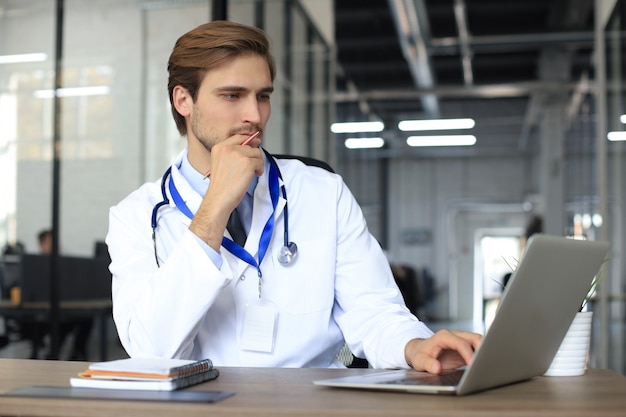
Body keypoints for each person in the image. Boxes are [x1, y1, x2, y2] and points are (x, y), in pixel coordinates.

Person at [106, 21, 481, 373]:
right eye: (232, 95)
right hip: (203, 406)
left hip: (313, 404)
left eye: (263, 96)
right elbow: (150, 350)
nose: (254, 115)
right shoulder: (136, 217)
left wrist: (413, 346)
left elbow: (375, 311)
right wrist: (215, 206)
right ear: (183, 100)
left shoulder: (322, 191)